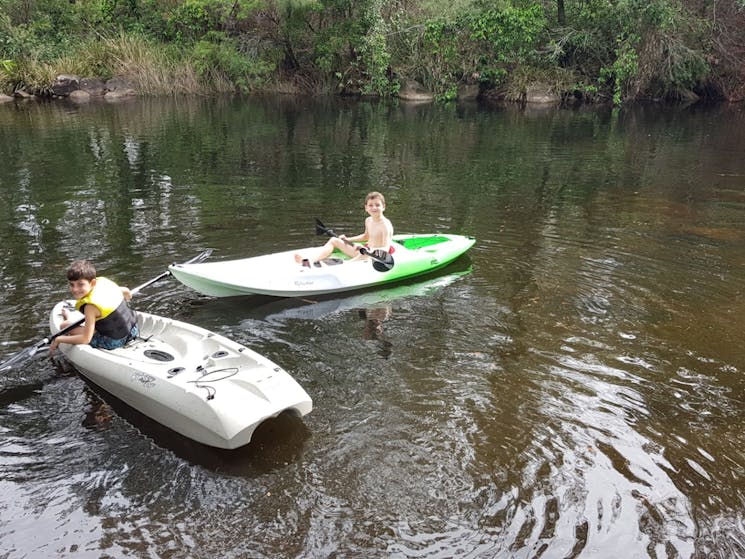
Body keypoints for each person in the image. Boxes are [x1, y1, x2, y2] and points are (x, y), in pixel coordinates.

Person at [50, 260, 139, 352]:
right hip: (134, 331)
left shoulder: (90, 307)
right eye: (72, 285)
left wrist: (59, 339)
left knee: (65, 326)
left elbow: (85, 339)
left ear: (92, 283)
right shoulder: (104, 283)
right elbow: (127, 291)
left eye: (80, 284)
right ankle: (70, 318)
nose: (75, 289)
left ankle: (68, 319)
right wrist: (126, 298)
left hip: (114, 342)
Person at [295, 191, 394, 266]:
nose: (374, 208)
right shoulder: (368, 220)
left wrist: (368, 250)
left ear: (383, 207)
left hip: (375, 256)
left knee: (363, 255)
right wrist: (347, 239)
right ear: (366, 208)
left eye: (377, 205)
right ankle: (310, 261)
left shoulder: (385, 225)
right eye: (370, 205)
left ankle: (343, 266)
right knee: (334, 240)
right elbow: (366, 236)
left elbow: (386, 248)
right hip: (364, 250)